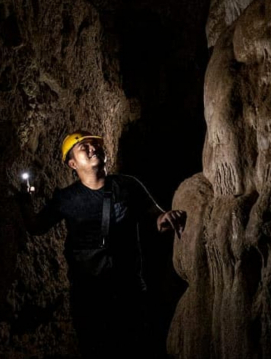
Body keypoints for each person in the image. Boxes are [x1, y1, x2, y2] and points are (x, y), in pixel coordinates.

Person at [18, 130, 186, 359]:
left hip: (129, 291)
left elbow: (157, 218)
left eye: (94, 144)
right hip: (90, 297)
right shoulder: (66, 199)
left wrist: (167, 218)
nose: (92, 148)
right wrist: (24, 203)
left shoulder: (127, 186)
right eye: (83, 148)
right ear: (72, 164)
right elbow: (37, 227)